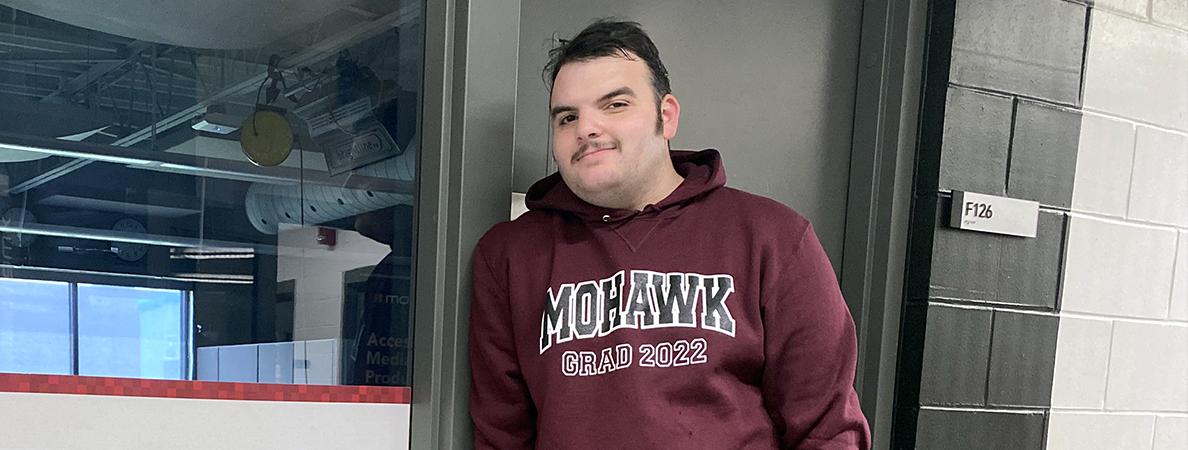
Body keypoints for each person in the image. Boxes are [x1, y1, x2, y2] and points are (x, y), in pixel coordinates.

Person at [469, 19, 870, 449]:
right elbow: (501, 435)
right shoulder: (509, 257)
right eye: (567, 117)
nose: (585, 128)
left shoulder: (772, 238)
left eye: (615, 105)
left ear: (667, 115)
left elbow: (828, 430)